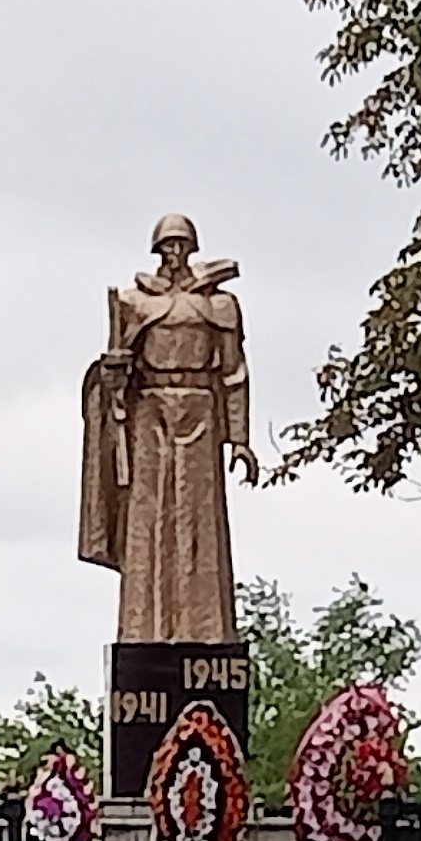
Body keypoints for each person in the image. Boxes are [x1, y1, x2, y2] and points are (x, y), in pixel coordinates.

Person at [77, 214, 254, 645]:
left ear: (191, 248)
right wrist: (113, 379)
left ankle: (204, 634)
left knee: (198, 521)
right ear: (157, 251)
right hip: (150, 412)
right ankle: (145, 632)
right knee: (150, 519)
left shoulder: (220, 305)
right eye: (167, 246)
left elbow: (233, 372)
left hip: (201, 411)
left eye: (181, 245)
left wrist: (240, 438)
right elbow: (118, 371)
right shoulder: (134, 301)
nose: (174, 254)